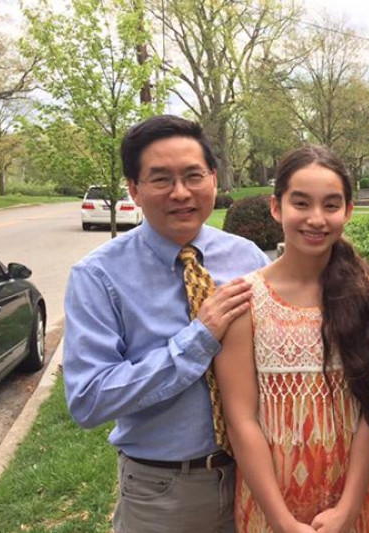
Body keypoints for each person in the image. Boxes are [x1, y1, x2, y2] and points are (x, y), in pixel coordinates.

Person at [63, 115, 270, 532]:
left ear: (213, 179)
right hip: (163, 492)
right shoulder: (98, 277)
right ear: (134, 190)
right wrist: (198, 339)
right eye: (161, 179)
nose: (180, 193)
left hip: (256, 478)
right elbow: (88, 399)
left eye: (193, 176)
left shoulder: (247, 257)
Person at [214, 144, 369, 533]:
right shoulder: (245, 301)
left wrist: (348, 509)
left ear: (348, 211)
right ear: (277, 207)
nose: (316, 218)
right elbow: (241, 421)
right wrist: (280, 520)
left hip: (351, 503)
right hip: (270, 506)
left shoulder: (364, 298)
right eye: (301, 203)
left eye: (331, 205)